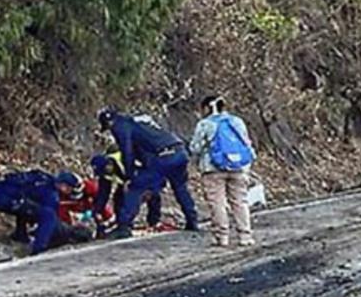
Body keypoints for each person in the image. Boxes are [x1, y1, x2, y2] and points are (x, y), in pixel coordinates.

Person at [97, 107, 198, 239]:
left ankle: (124, 226)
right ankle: (192, 221)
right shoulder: (139, 121)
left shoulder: (121, 126)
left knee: (135, 187)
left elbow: (127, 152)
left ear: (109, 122)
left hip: (162, 156)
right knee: (180, 187)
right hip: (179, 152)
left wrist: (130, 176)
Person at [189, 95, 256, 247]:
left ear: (207, 108)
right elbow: (246, 142)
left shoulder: (205, 124)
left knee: (217, 202)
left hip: (213, 169)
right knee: (240, 201)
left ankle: (222, 237)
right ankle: (245, 236)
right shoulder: (237, 121)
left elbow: (195, 148)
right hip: (239, 167)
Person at [0, 170, 89, 255]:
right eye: (71, 189)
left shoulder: (45, 179)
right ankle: (39, 248)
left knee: (28, 207)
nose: (71, 193)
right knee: (48, 216)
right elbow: (48, 219)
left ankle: (21, 236)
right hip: (2, 197)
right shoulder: (51, 195)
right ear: (64, 186)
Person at [89, 149, 163, 237]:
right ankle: (122, 224)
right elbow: (103, 194)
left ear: (109, 164)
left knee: (149, 196)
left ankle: (153, 222)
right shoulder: (106, 172)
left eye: (105, 171)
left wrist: (152, 188)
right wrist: (98, 211)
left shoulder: (126, 158)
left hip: (145, 175)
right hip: (127, 180)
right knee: (118, 197)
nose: (105, 174)